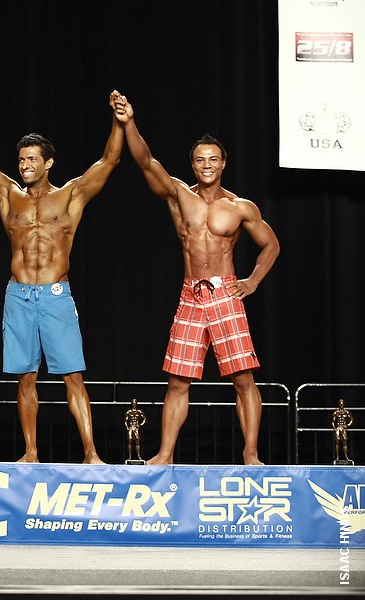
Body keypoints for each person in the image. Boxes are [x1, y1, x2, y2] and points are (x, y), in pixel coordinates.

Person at [121, 95, 280, 466]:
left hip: (225, 293)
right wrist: (129, 123)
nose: (206, 165)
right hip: (191, 295)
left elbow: (271, 244)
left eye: (213, 159)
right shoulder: (179, 196)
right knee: (178, 380)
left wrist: (253, 281)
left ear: (223, 163)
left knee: (243, 379)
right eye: (200, 160)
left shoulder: (240, 206)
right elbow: (145, 161)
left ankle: (251, 454)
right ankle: (165, 454)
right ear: (192, 165)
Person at [0, 90, 127, 464]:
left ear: (48, 163)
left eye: (32, 159)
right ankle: (30, 453)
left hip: (56, 295)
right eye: (21, 159)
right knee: (25, 378)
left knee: (73, 376)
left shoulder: (70, 196)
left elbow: (110, 160)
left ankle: (91, 454)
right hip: (19, 295)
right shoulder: (10, 196)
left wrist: (118, 119)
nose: (24, 164)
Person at [332, 399, 353, 463]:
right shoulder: (336, 412)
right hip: (338, 427)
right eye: (340, 404)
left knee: (345, 442)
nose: (341, 405)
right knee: (337, 442)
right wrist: (335, 428)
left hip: (344, 427)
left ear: (343, 404)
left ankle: (346, 456)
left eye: (342, 404)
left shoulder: (346, 412)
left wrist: (348, 425)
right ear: (339, 404)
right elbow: (333, 422)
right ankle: (337, 457)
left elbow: (351, 419)